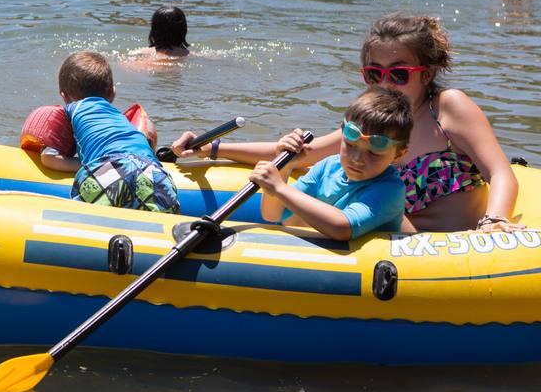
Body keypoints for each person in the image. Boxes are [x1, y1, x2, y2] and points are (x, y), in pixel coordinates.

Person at [171, 13, 520, 233]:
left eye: (398, 73)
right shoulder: (375, 126)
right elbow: (304, 154)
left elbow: (500, 172)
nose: (385, 83)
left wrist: (495, 221)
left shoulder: (448, 109)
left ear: (426, 73)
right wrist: (210, 148)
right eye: (374, 73)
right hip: (389, 243)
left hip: (451, 247)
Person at [249, 88, 414, 241]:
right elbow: (272, 215)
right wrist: (284, 168)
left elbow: (342, 228)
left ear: (398, 154)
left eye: (373, 153)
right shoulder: (328, 167)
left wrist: (279, 188)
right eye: (350, 145)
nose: (357, 159)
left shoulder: (390, 190)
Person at [38, 51, 177, 213]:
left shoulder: (72, 109)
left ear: (64, 96)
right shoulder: (123, 120)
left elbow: (49, 158)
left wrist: (84, 165)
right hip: (153, 172)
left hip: (108, 171)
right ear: (112, 93)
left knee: (87, 221)